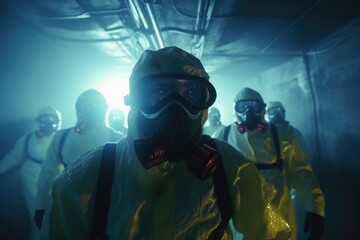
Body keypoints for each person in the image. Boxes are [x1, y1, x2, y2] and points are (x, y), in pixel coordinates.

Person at [39, 47, 291, 240]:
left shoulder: (230, 168)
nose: (175, 108)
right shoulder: (89, 175)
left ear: (204, 105)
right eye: (158, 94)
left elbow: (270, 232)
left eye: (191, 94)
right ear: (135, 101)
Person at [213, 87, 325, 240]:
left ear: (263, 109)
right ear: (235, 109)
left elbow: (301, 172)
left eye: (254, 106)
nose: (249, 111)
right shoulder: (222, 136)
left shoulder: (281, 135)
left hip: (281, 219)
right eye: (243, 106)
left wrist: (315, 208)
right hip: (240, 225)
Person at [34, 89, 123, 229]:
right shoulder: (61, 138)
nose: (91, 110)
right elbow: (47, 174)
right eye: (85, 106)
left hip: (106, 207)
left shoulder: (118, 139)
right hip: (68, 205)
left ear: (105, 109)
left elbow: (128, 179)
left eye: (96, 106)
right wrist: (41, 206)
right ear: (77, 109)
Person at [0, 106, 61, 240]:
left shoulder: (63, 139)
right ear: (38, 121)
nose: (49, 122)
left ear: (59, 121)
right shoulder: (27, 139)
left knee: (55, 216)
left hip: (56, 179)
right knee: (37, 217)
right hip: (31, 180)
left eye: (53, 118)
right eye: (44, 119)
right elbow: (13, 157)